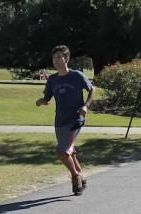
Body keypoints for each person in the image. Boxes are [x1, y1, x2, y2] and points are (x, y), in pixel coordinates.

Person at [36, 45, 95, 196]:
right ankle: (82, 176)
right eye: (54, 58)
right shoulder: (52, 80)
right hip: (60, 120)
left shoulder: (76, 76)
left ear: (66, 59)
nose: (56, 60)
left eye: (59, 57)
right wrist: (42, 101)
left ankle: (75, 178)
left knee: (62, 151)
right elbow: (48, 97)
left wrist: (86, 106)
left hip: (75, 119)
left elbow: (92, 90)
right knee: (70, 152)